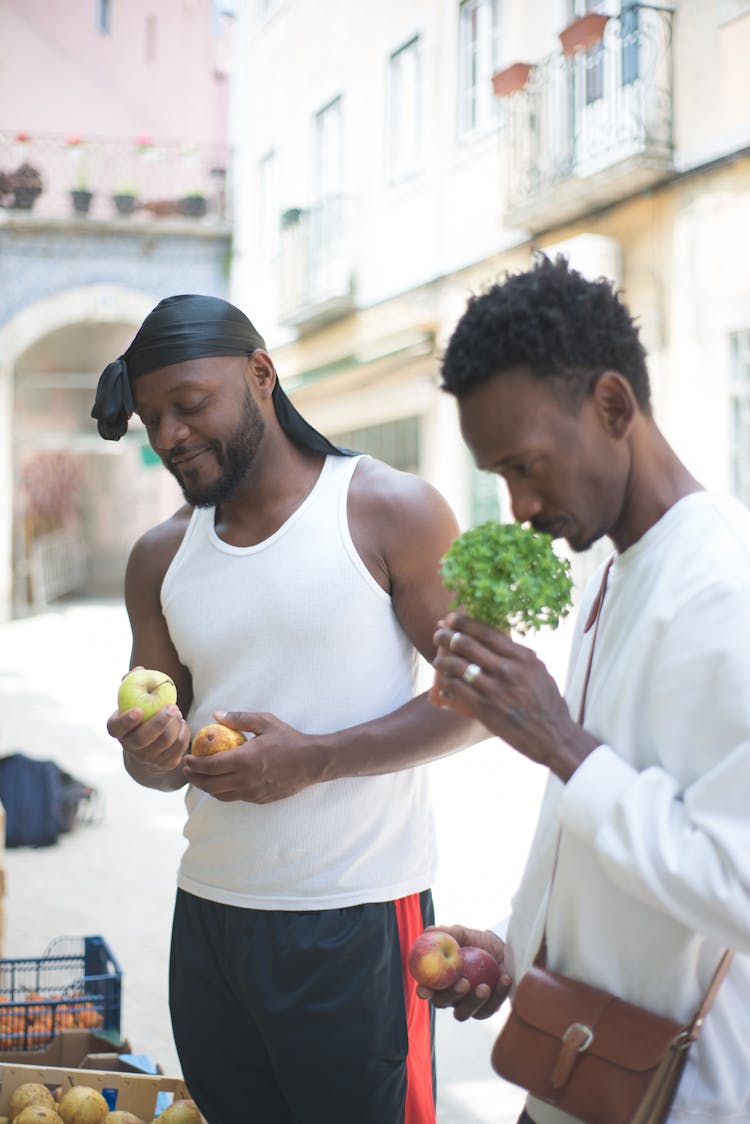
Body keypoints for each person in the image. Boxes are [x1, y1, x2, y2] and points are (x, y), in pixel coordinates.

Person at [92, 293, 482, 1124]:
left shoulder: (387, 510)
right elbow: (156, 769)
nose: (167, 437)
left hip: (359, 918)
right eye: (151, 418)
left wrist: (319, 756)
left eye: (189, 406)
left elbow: (483, 703)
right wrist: (152, 752)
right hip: (209, 917)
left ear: (260, 375)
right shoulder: (160, 556)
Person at [424, 255, 750, 1124]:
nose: (518, 506)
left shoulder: (724, 589)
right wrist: (517, 949)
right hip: (571, 1072)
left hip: (679, 1097)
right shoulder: (617, 568)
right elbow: (602, 825)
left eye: (526, 466)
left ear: (613, 406)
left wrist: (558, 740)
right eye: (498, 476)